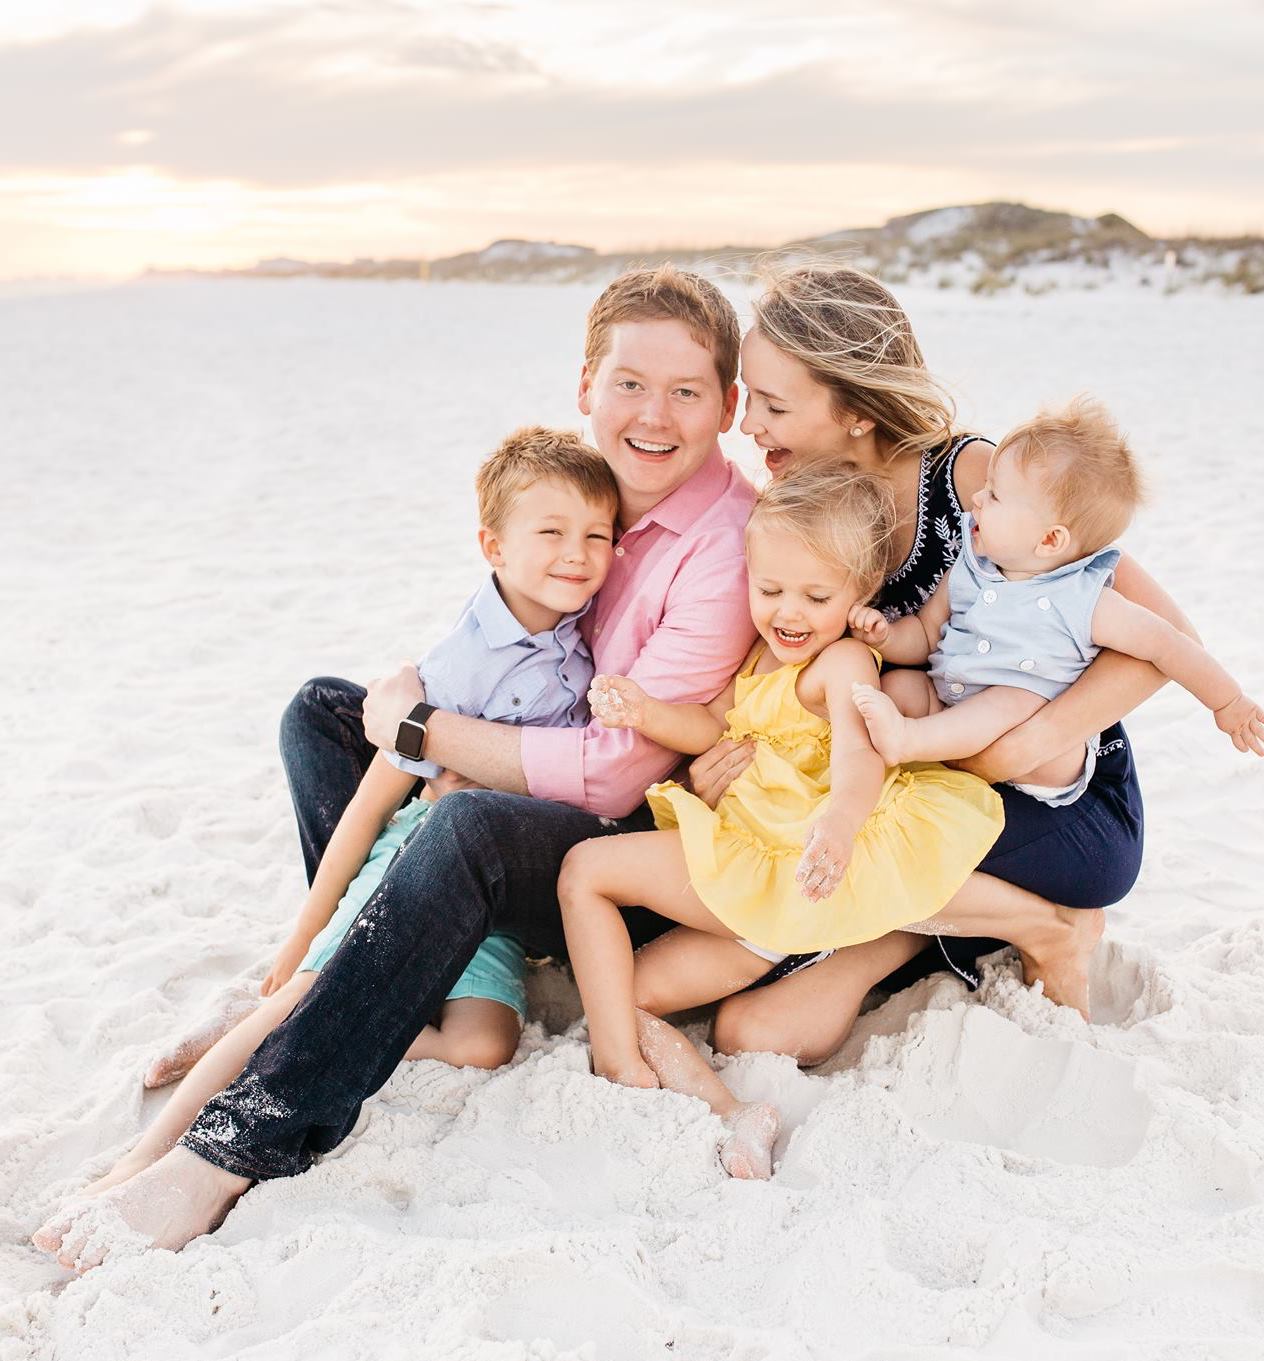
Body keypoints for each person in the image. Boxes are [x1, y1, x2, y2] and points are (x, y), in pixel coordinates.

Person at [33, 264, 759, 1270]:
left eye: (687, 391)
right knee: (323, 712)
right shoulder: (594, 496)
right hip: (525, 796)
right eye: (630, 382)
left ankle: (241, 1136)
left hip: (633, 853)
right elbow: (500, 653)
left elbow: (611, 776)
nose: (654, 414)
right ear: (585, 383)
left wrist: (424, 730)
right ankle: (370, 962)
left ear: (727, 404)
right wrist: (409, 708)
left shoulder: (723, 541)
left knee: (457, 818)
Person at [54, 427, 621, 1208]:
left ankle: (346, 1000)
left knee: (483, 1045)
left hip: (482, 893)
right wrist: (299, 937)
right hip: (410, 854)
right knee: (300, 998)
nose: (578, 552)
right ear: (492, 545)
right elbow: (371, 802)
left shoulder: (570, 641)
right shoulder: (462, 661)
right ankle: (145, 1156)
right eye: (551, 532)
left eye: (597, 534)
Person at [703, 263, 1202, 1066]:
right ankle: (933, 932)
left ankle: (1041, 924)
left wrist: (1011, 744)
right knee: (757, 1005)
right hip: (913, 789)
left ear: (858, 408)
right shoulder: (808, 502)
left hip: (1052, 806)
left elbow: (1169, 641)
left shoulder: (972, 481)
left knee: (819, 836)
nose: (747, 424)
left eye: (771, 404)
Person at [561, 468, 1003, 1178]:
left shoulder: (844, 659)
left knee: (585, 870)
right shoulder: (761, 655)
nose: (787, 611)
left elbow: (861, 756)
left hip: (771, 864)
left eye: (814, 596)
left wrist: (838, 821)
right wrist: (644, 711)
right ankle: (732, 1114)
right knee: (625, 993)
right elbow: (709, 725)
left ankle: (616, 1064)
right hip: (754, 900)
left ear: (858, 597)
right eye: (768, 591)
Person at [849, 398, 1264, 801]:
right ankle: (909, 756)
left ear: (1051, 539)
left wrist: (1228, 702)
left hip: (1033, 747)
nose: (977, 498)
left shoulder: (1084, 600)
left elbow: (1168, 643)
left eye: (994, 495)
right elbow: (925, 633)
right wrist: (885, 637)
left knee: (1006, 702)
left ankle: (909, 742)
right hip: (948, 700)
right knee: (900, 685)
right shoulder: (971, 564)